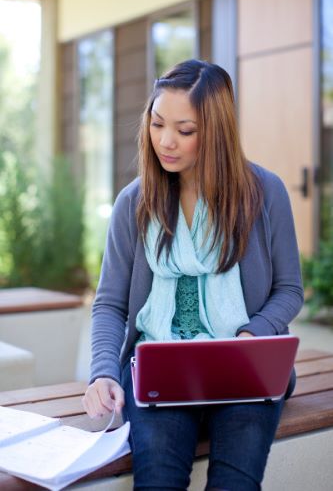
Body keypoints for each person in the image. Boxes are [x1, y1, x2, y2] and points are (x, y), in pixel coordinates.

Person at [82, 59, 304, 490]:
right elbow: (109, 303)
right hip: (158, 367)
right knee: (158, 482)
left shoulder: (265, 192)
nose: (166, 142)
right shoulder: (134, 203)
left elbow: (289, 289)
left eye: (185, 131)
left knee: (234, 484)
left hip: (245, 369)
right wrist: (104, 371)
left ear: (217, 132)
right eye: (157, 123)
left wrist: (252, 336)